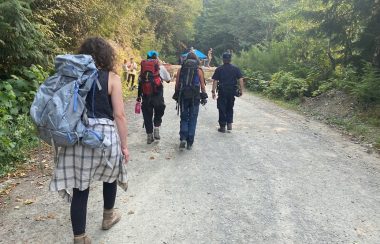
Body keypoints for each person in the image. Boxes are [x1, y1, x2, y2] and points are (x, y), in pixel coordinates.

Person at [49, 37, 129, 244]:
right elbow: (119, 115)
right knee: (110, 175)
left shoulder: (73, 76)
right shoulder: (112, 78)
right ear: (107, 55)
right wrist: (124, 146)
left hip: (78, 134)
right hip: (104, 135)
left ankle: (80, 238)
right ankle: (108, 216)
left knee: (80, 187)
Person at [173, 53, 207, 150]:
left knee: (184, 118)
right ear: (196, 60)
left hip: (183, 97)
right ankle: (190, 142)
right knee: (193, 118)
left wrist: (177, 94)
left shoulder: (181, 69)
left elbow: (177, 85)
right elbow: (202, 85)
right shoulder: (199, 70)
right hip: (195, 98)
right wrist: (204, 96)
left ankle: (183, 138)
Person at [137, 50, 171, 144]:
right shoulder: (160, 68)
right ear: (156, 57)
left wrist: (139, 97)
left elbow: (139, 82)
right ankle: (156, 128)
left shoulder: (143, 70)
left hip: (146, 96)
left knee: (147, 115)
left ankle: (149, 136)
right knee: (159, 110)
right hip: (157, 96)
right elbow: (168, 79)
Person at [211, 52, 244, 132]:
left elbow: (215, 81)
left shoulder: (219, 69)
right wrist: (241, 90)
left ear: (223, 59)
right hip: (232, 91)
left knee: (221, 108)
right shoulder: (236, 68)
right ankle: (229, 123)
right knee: (230, 107)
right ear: (230, 59)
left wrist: (213, 92)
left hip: (222, 91)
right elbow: (240, 79)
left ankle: (222, 126)